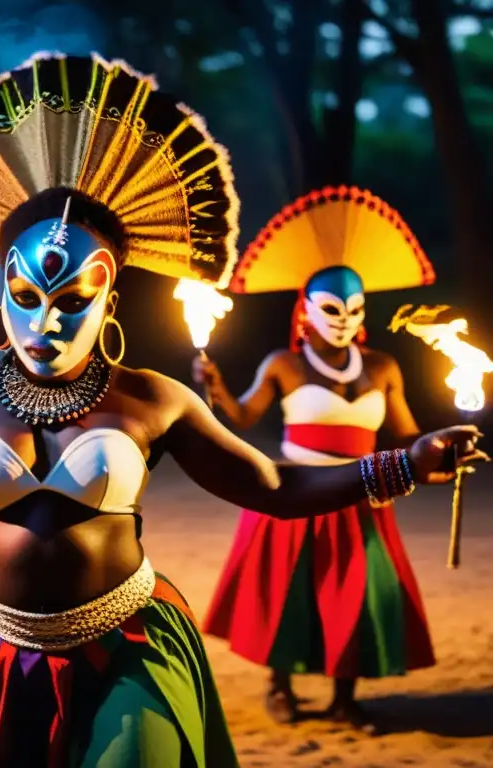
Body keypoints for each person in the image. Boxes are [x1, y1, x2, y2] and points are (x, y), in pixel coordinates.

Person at [0, 56, 485, 766]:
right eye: (26, 297)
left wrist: (405, 462)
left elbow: (272, 485)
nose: (46, 322)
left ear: (109, 301)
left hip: (126, 648)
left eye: (72, 301)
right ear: (0, 295)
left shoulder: (153, 400)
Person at [193, 186, 443, 732]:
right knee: (288, 594)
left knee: (353, 595)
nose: (344, 318)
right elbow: (239, 416)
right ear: (305, 310)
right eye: (331, 308)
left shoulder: (383, 367)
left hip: (363, 495)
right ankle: (279, 688)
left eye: (354, 308)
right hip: (293, 492)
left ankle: (344, 697)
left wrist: (443, 450)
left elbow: (409, 436)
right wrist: (212, 387)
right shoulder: (284, 362)